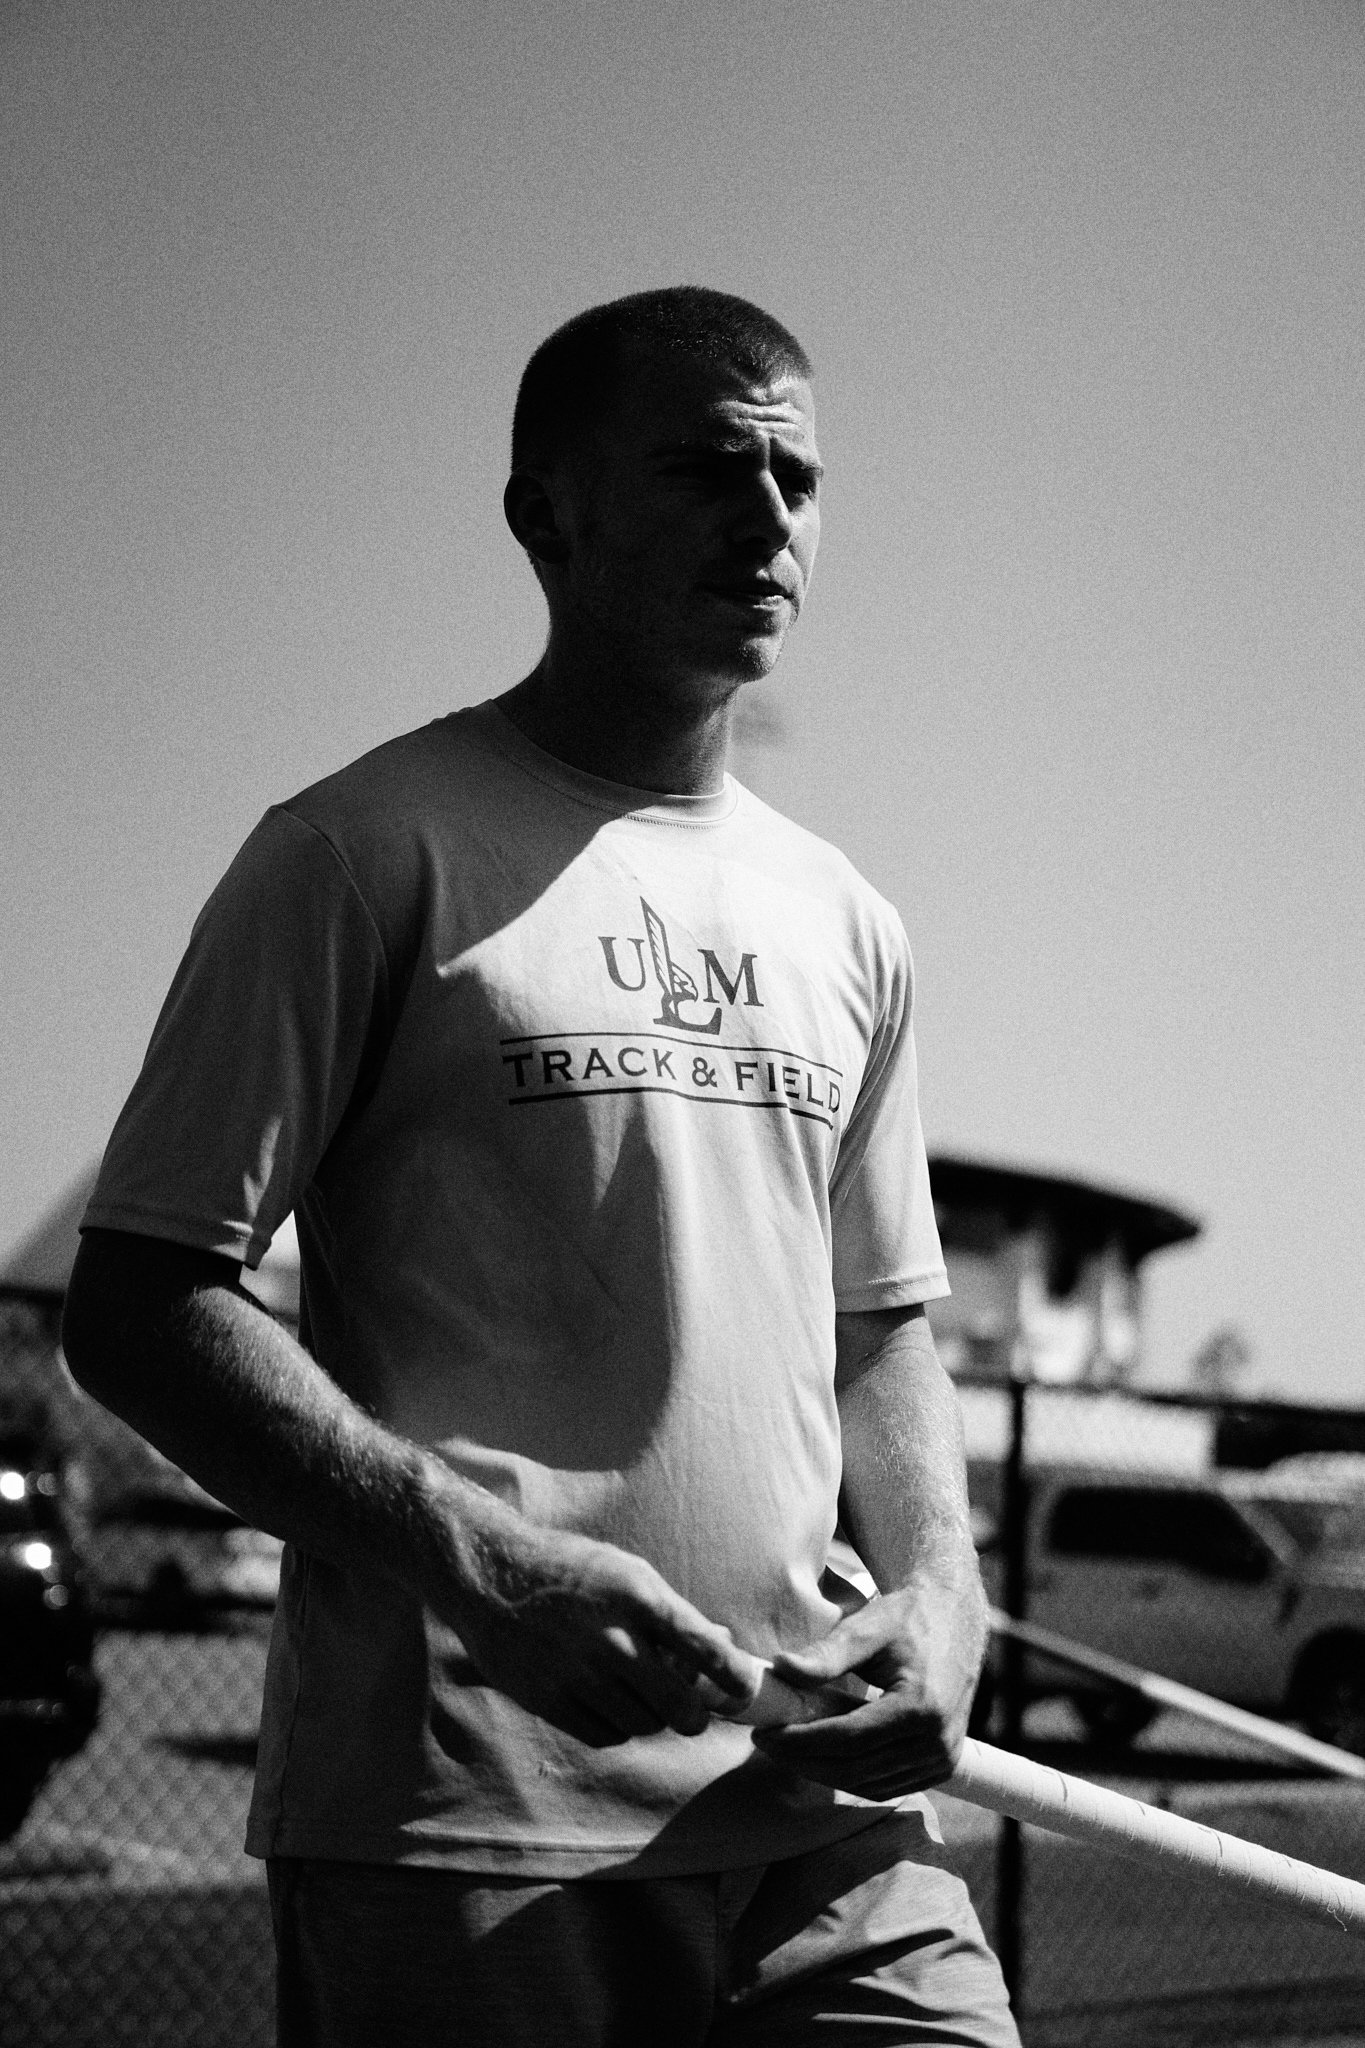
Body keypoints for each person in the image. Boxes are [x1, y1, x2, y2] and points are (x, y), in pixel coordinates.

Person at [63, 287, 1019, 2046]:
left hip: (822, 1820)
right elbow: (138, 1303)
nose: (769, 520)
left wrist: (944, 1592)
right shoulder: (360, 852)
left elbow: (881, 1331)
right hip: (473, 1829)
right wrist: (482, 1564)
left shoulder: (848, 920)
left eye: (799, 482)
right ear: (545, 514)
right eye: (707, 468)